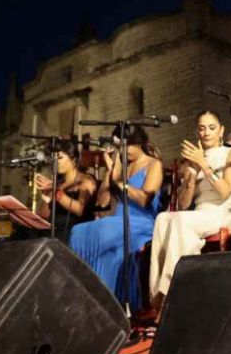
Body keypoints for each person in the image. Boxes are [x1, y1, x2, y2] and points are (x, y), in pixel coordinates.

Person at [148, 110, 231, 309]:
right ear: (197, 132)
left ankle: (172, 293)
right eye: (201, 128)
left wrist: (203, 165)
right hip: (201, 213)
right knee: (163, 218)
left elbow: (225, 191)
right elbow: (183, 203)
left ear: (221, 130)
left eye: (211, 127)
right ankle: (158, 295)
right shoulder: (194, 158)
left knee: (181, 221)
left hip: (224, 211)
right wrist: (190, 179)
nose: (206, 132)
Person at [69, 125, 163, 308]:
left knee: (103, 229)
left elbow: (145, 199)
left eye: (127, 146)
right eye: (121, 147)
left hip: (142, 223)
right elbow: (102, 202)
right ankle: (87, 297)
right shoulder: (122, 163)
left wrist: (121, 183)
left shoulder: (154, 164)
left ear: (139, 143)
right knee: (77, 231)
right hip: (118, 223)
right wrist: (110, 171)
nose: (123, 151)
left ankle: (110, 303)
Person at [32, 140, 98, 243]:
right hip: (54, 231)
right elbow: (44, 216)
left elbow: (80, 209)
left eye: (60, 157)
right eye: (54, 158)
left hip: (74, 233)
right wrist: (47, 198)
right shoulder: (59, 184)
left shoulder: (86, 180)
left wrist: (55, 191)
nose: (56, 161)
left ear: (73, 159)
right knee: (23, 232)